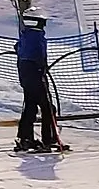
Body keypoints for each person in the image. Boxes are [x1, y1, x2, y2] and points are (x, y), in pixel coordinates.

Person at [15, 14, 63, 152]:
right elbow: (37, 55)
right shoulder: (36, 37)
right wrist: (41, 68)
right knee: (48, 108)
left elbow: (17, 48)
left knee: (30, 107)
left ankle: (25, 138)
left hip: (26, 77)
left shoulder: (25, 35)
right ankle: (48, 140)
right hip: (36, 75)